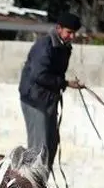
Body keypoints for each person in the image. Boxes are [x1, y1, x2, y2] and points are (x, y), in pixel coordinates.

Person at [18, 12, 84, 172]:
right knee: (38, 148)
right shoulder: (45, 45)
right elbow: (39, 75)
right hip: (35, 100)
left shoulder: (65, 47)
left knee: (51, 146)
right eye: (69, 32)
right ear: (59, 29)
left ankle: (39, 187)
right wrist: (65, 83)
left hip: (49, 100)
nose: (72, 36)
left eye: (74, 33)